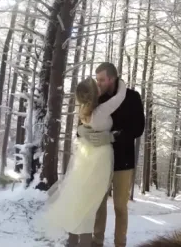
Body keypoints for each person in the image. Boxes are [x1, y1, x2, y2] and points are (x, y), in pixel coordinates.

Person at [41, 76, 127, 247]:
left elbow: (82, 128)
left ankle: (73, 240)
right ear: (94, 93)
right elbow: (120, 97)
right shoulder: (101, 111)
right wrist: (120, 82)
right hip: (99, 160)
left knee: (81, 200)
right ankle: (83, 243)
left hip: (84, 158)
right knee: (91, 204)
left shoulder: (84, 109)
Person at [78, 62, 145, 247]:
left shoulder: (132, 97)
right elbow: (84, 121)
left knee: (120, 207)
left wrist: (113, 137)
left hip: (123, 161)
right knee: (99, 203)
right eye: (97, 79)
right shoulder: (94, 97)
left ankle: (119, 244)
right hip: (98, 160)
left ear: (112, 79)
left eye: (101, 79)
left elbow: (138, 128)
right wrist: (80, 131)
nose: (97, 83)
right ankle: (96, 241)